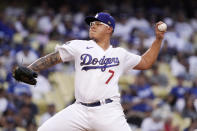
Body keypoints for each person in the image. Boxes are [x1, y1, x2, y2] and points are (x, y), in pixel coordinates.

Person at [25, 12, 165, 131]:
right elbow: (54, 58)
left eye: (98, 24)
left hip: (108, 110)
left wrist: (158, 40)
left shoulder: (120, 53)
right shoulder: (79, 45)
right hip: (79, 109)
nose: (92, 25)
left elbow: (146, 62)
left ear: (109, 29)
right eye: (91, 24)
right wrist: (30, 69)